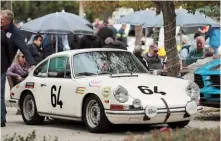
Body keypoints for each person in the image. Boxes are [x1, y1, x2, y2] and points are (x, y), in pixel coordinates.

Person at [1, 10, 35, 127]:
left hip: (5, 63)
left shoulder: (16, 33)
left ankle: (1, 118)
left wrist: (32, 64)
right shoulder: (1, 28)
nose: (0, 20)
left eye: (3, 19)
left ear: (9, 21)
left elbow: (25, 50)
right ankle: (2, 111)